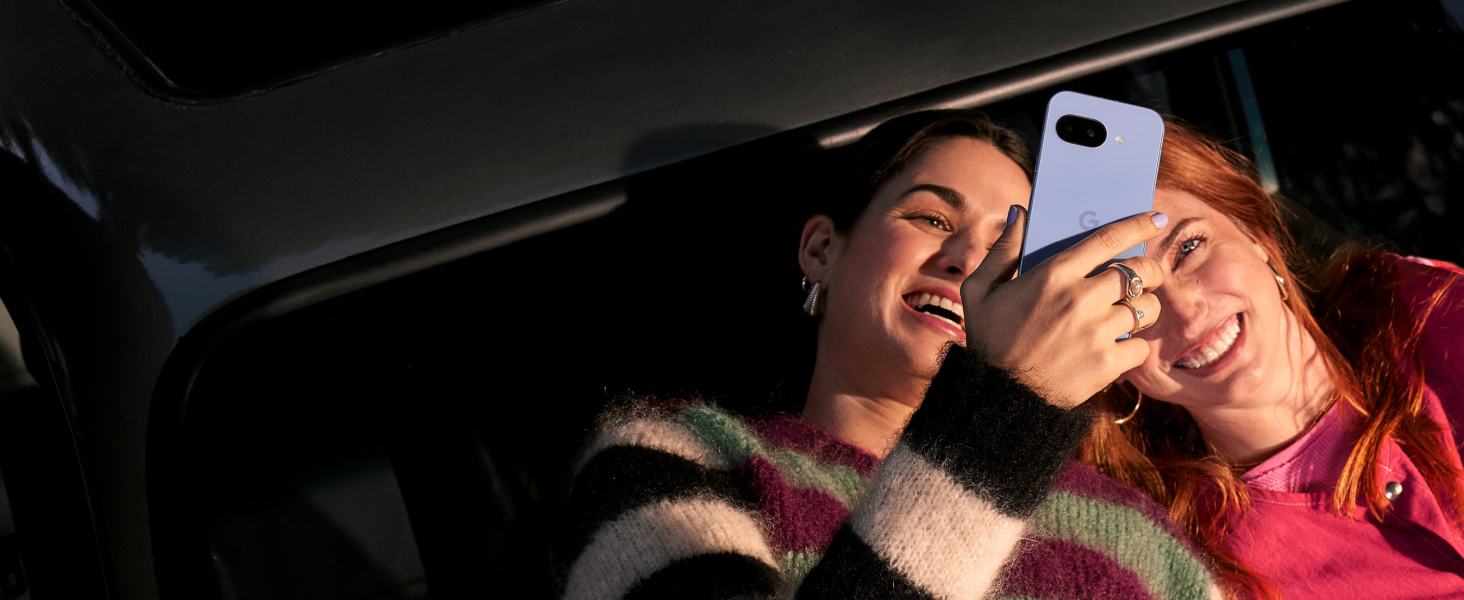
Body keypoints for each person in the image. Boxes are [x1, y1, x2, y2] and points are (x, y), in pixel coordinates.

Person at [559, 109, 1224, 599]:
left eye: (1007, 246)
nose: (968, 260)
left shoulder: (1136, 539)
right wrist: (1002, 412)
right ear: (822, 250)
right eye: (931, 219)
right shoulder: (669, 465)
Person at [1080, 122, 1464, 598]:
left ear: (1254, 231)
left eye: (1188, 248)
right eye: (1130, 297)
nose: (1186, 315)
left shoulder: (1427, 311)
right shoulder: (1201, 576)